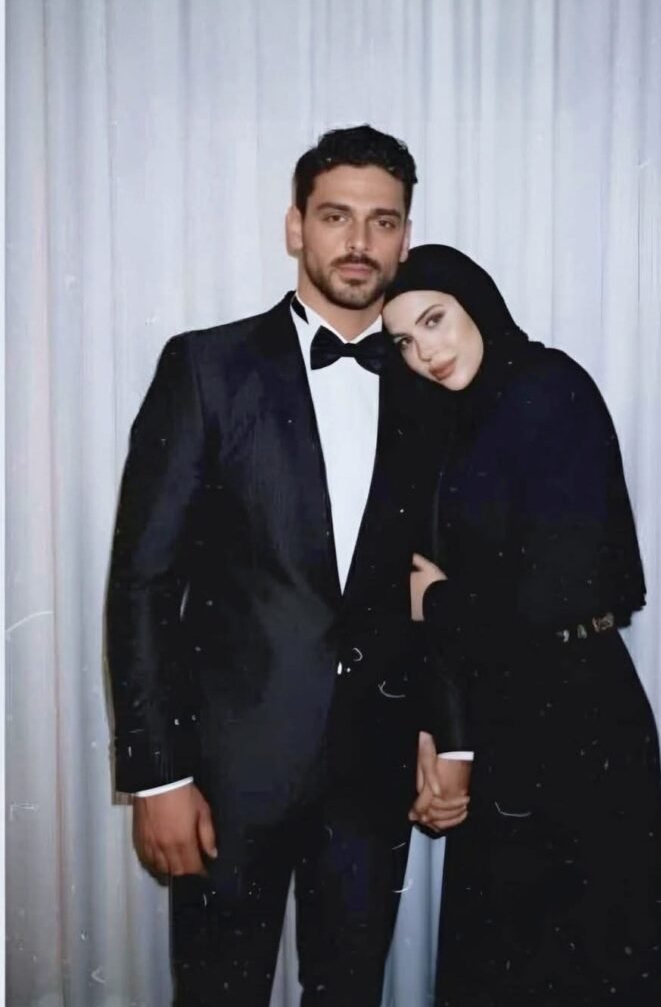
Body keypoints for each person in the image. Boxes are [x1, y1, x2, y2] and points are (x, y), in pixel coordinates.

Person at [106, 128, 470, 1007]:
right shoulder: (207, 367)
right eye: (336, 216)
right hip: (230, 776)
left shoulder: (430, 382)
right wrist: (158, 776)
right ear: (294, 227)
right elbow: (143, 583)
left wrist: (446, 731)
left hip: (373, 773)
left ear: (405, 239)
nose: (359, 241)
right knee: (217, 992)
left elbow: (438, 577)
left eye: (383, 221)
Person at [383, 244, 661, 1006]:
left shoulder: (547, 387)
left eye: (435, 321)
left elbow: (565, 587)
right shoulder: (453, 419)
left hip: (581, 711)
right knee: (503, 960)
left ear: (476, 304)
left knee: (588, 959)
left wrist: (438, 601)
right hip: (507, 711)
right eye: (404, 341)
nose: (425, 353)